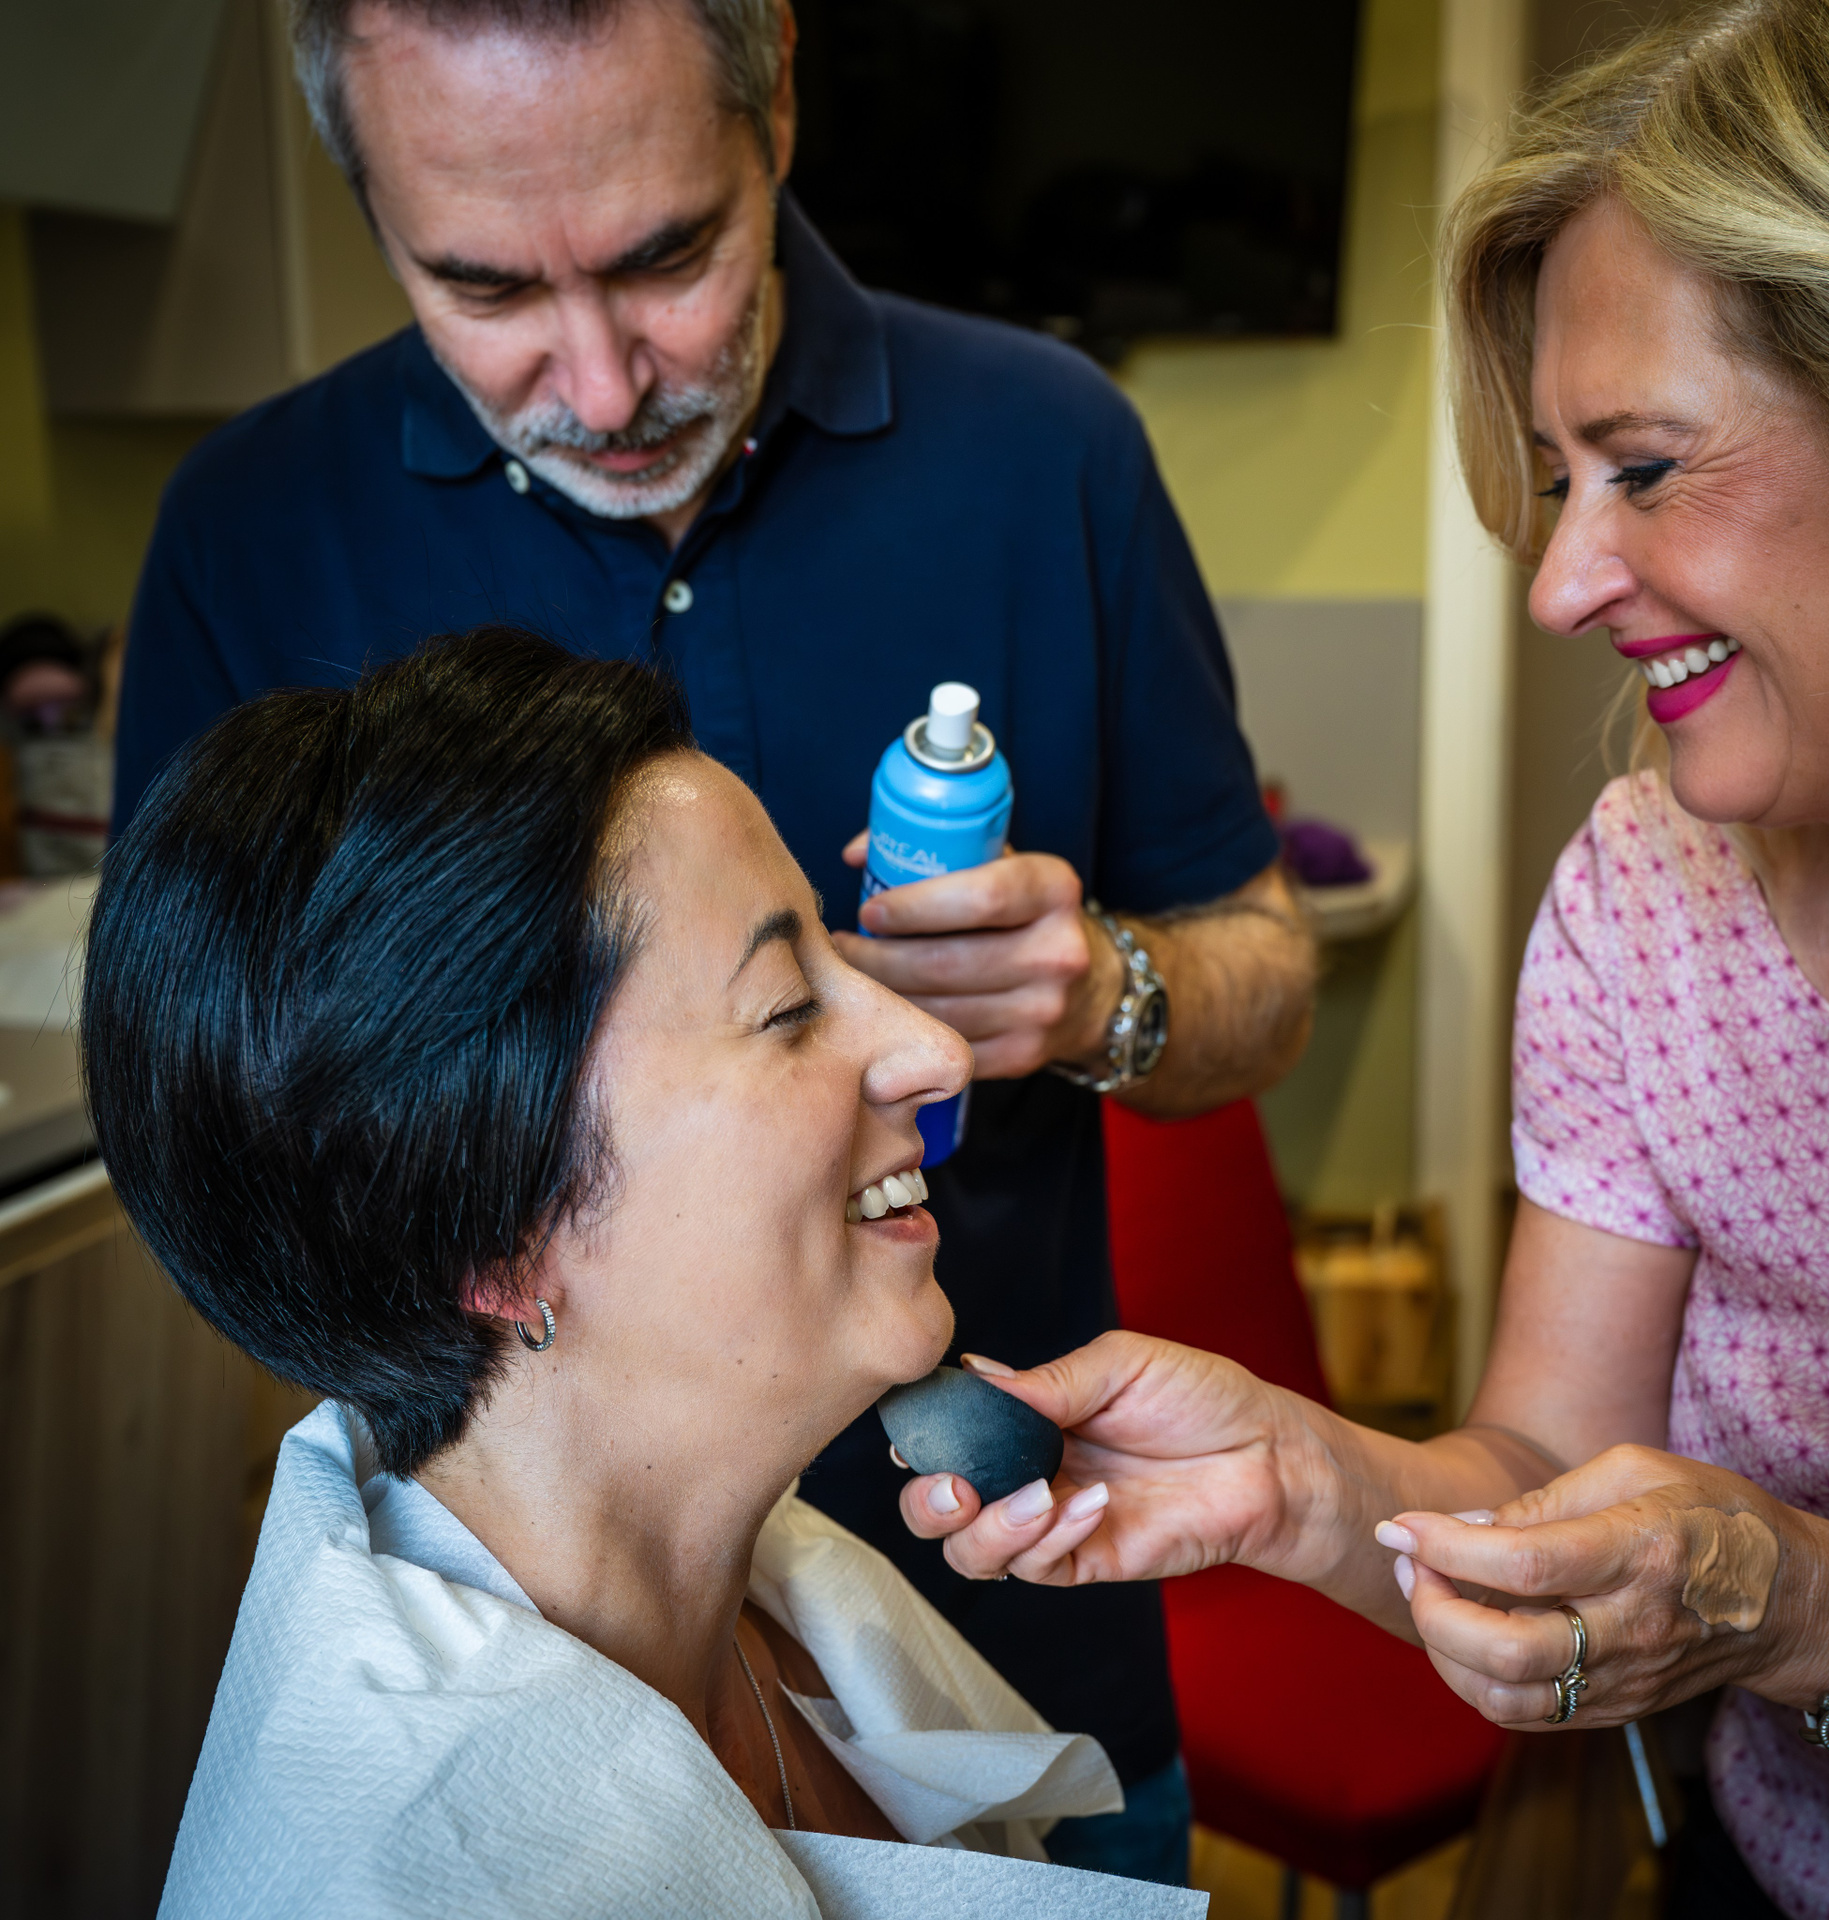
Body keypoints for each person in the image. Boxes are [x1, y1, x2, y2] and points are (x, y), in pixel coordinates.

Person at [109, 0, 1314, 1877]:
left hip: (1009, 1570)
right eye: (487, 286)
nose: (601, 386)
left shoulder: (1046, 450)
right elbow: (239, 1151)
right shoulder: (248, 532)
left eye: (667, 257)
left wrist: (1110, 996)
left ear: (776, 111)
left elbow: (1265, 964)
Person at [898, 3, 1829, 1914]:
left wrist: (1826, 1606)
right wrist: (1304, 1482)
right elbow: (1547, 1466)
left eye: (1646, 467)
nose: (1559, 584)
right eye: (1557, 478)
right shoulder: (1647, 897)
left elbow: (1788, 1600)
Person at [90, 626, 1178, 1916]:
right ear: (491, 1243)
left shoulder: (777, 1609)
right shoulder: (411, 1880)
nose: (937, 1051)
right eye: (788, 1008)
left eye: (838, 960)